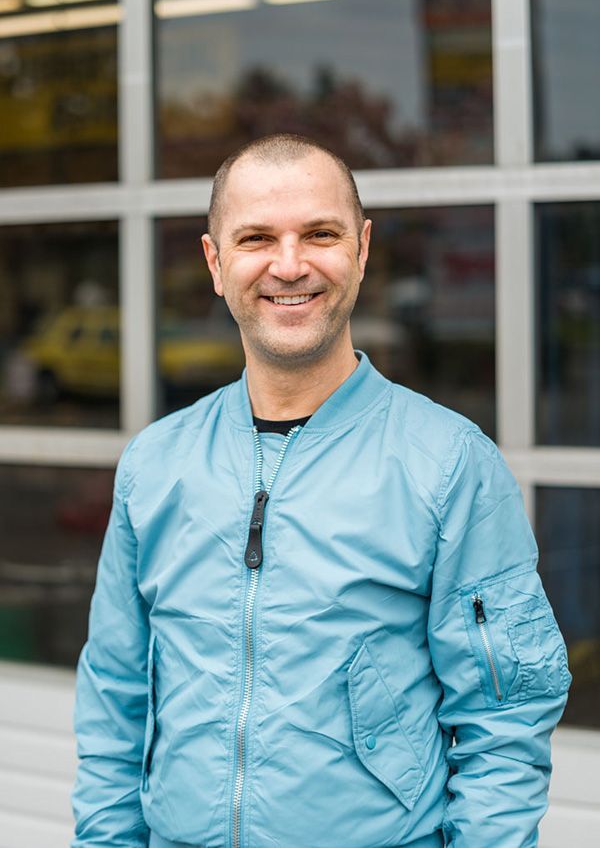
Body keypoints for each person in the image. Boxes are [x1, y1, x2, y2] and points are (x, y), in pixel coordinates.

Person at [72, 133, 571, 848]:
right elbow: (114, 703)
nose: (289, 264)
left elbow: (505, 722)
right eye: (256, 238)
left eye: (320, 234)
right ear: (216, 262)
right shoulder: (155, 464)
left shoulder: (450, 464)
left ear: (362, 250)